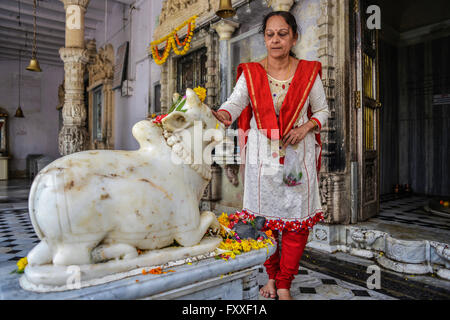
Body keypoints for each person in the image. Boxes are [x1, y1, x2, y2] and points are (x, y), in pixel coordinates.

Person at [212, 11, 330, 300]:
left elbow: (324, 111)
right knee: (263, 223)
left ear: (293, 37)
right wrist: (219, 115)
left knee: (294, 223)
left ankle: (284, 283)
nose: (275, 40)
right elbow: (234, 104)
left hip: (295, 161)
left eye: (282, 33)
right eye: (270, 34)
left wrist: (305, 127)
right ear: (264, 38)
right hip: (261, 161)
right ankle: (271, 278)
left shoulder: (307, 73)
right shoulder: (252, 73)